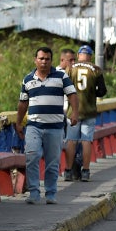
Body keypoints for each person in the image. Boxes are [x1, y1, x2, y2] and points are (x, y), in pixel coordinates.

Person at [15, 46, 79, 205]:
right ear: (35, 60)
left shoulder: (61, 76)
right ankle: (34, 192)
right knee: (31, 156)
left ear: (51, 60)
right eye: (41, 58)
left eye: (47, 59)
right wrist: (18, 122)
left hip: (55, 127)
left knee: (52, 162)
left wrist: (75, 113)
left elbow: (72, 95)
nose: (44, 62)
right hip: (34, 126)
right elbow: (23, 103)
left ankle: (50, 193)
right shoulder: (28, 79)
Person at [64, 45, 107, 182]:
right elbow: (102, 91)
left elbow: (64, 88)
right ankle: (86, 171)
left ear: (78, 55)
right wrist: (92, 92)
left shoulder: (70, 68)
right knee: (86, 141)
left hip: (73, 113)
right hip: (89, 111)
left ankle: (68, 171)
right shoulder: (96, 70)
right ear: (90, 56)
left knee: (71, 141)